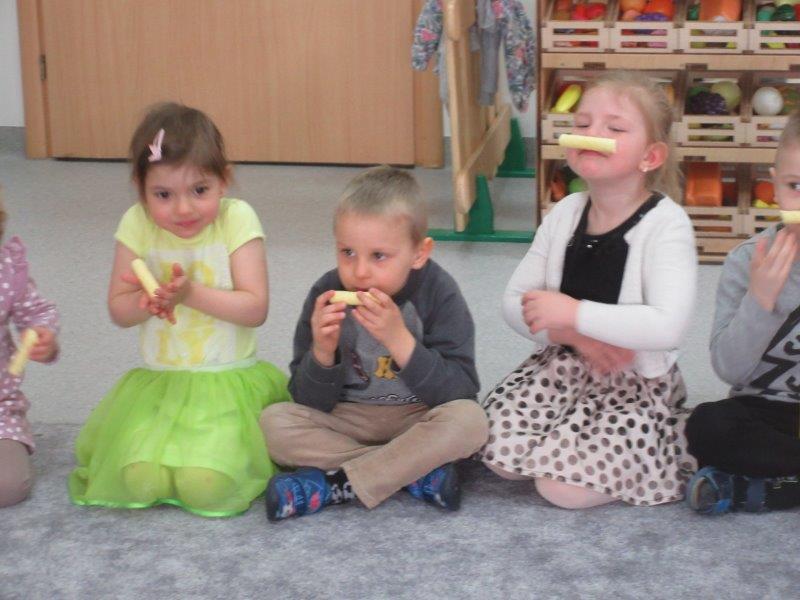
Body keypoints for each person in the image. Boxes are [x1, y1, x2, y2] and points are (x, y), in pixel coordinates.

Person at [480, 71, 697, 508]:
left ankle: (671, 439)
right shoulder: (565, 211)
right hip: (560, 369)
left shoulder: (668, 224)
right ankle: (566, 440)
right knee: (494, 454)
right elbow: (513, 303)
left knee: (561, 489)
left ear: (650, 157)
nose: (592, 133)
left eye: (614, 128)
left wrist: (573, 313)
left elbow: (668, 327)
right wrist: (574, 334)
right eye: (582, 124)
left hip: (630, 383)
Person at [68, 103, 290, 517]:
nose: (183, 209)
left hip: (224, 384)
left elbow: (255, 308)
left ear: (224, 180)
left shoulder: (237, 219)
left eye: (199, 190)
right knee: (138, 480)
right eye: (163, 195)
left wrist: (189, 294)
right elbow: (119, 310)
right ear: (140, 189)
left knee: (204, 487)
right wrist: (143, 304)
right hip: (160, 387)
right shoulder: (137, 223)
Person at [260, 165, 488, 521]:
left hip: (417, 416)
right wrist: (322, 352)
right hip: (349, 418)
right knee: (274, 423)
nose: (360, 271)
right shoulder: (326, 291)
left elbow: (461, 389)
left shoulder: (438, 292)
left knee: (471, 421)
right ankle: (411, 472)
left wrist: (400, 341)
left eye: (378, 256)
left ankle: (335, 484)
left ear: (419, 253)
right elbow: (306, 399)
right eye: (347, 252)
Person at [685, 109, 800, 515]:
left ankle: (773, 489)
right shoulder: (746, 261)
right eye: (796, 186)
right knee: (707, 426)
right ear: (775, 186)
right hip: (765, 413)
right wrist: (760, 301)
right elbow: (729, 370)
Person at [0, 187, 60, 507]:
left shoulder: (6, 269)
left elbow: (37, 314)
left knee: (9, 486)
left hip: (0, 410)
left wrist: (42, 337)